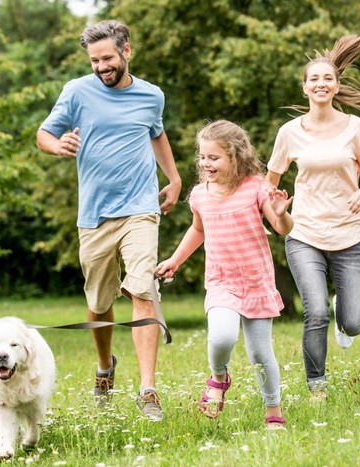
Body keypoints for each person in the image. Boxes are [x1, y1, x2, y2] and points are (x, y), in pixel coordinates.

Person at [36, 20, 182, 421]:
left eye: (108, 58)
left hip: (140, 208)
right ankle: (105, 367)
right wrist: (57, 145)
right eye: (95, 60)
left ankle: (148, 389)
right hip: (95, 214)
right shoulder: (76, 91)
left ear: (127, 51)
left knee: (142, 290)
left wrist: (173, 177)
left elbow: (157, 133)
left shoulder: (152, 95)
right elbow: (43, 134)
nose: (101, 66)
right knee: (99, 304)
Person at [266, 34, 360, 401]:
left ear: (336, 86)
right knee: (314, 312)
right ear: (305, 88)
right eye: (314, 79)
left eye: (327, 79)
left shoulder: (355, 128)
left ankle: (344, 314)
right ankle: (316, 385)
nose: (321, 84)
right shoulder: (289, 132)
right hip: (304, 232)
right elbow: (271, 180)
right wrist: (276, 209)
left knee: (353, 322)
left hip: (351, 234)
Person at [156, 120, 293, 430]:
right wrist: (175, 260)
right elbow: (198, 229)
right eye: (203, 157)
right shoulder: (201, 195)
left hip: (256, 281)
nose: (206, 163)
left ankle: (273, 409)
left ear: (236, 156)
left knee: (260, 352)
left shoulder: (256, 187)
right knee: (221, 337)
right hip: (221, 281)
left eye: (214, 157)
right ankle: (219, 377)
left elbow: (282, 228)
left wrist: (282, 214)